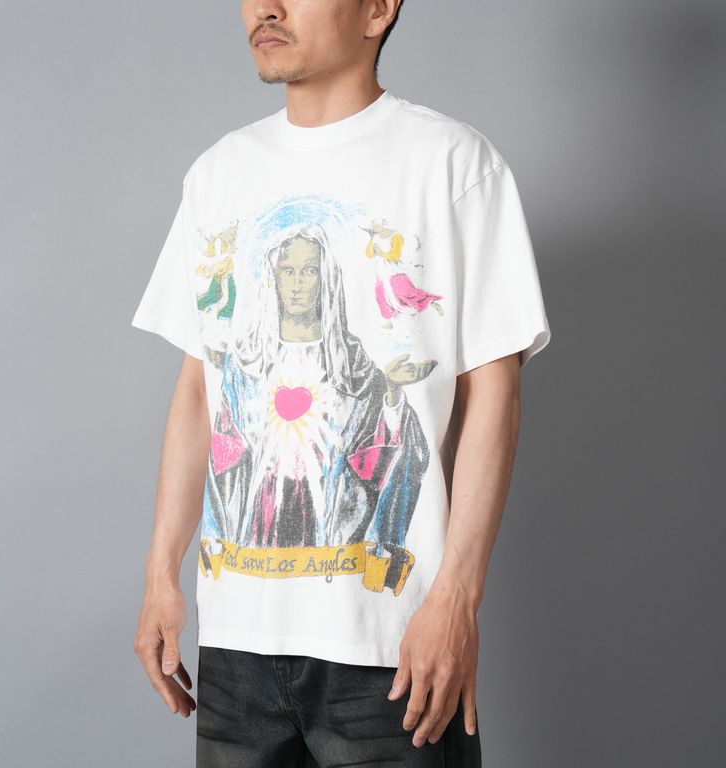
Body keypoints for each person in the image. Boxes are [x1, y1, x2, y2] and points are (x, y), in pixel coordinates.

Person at [130, 1, 552, 765]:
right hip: (236, 645)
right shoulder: (219, 173)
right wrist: (162, 575)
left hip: (394, 644)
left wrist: (456, 598)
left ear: (378, 9)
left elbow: (495, 393)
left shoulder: (451, 163)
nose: (265, 7)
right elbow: (199, 391)